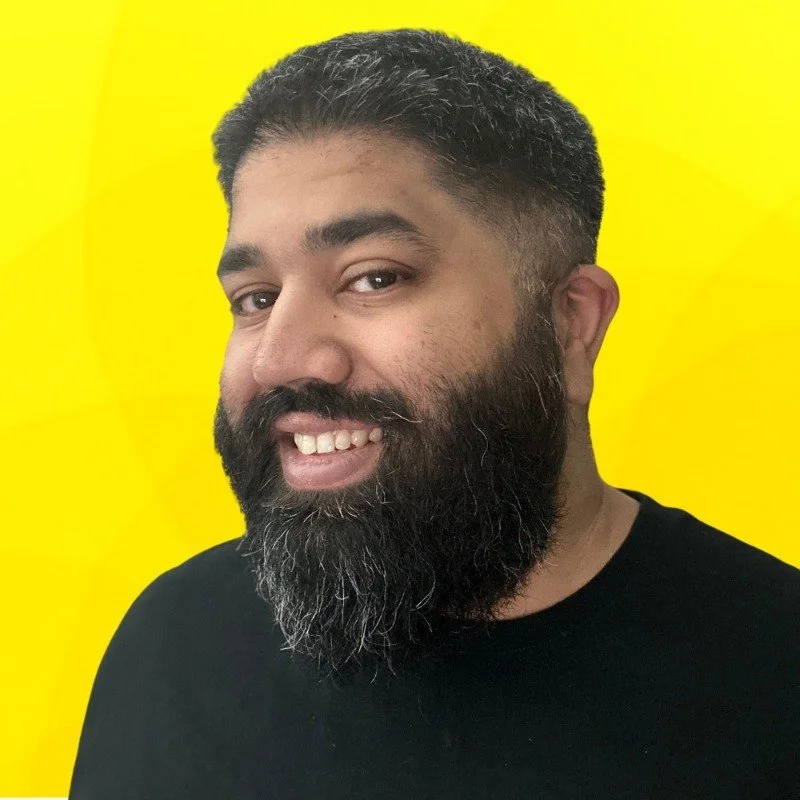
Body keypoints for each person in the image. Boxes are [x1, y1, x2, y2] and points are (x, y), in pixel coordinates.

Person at [69, 29, 798, 799]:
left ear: (570, 322)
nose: (279, 359)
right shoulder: (176, 646)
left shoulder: (774, 677)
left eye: (373, 278)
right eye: (256, 298)